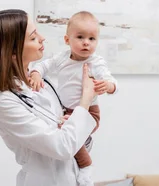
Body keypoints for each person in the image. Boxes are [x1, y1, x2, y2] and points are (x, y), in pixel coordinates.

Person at [0, 9, 99, 186]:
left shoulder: (42, 81)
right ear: (13, 51)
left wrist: (74, 125)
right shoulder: (3, 100)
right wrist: (85, 100)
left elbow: (74, 140)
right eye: (33, 37)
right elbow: (63, 147)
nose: (42, 38)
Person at [28, 11, 118, 185]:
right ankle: (80, 160)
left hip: (90, 112)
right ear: (67, 40)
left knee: (70, 133)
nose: (86, 42)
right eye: (80, 37)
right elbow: (44, 65)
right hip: (66, 110)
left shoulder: (95, 62)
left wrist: (108, 86)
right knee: (66, 136)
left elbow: (110, 80)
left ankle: (86, 166)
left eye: (92, 39)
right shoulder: (62, 58)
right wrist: (36, 73)